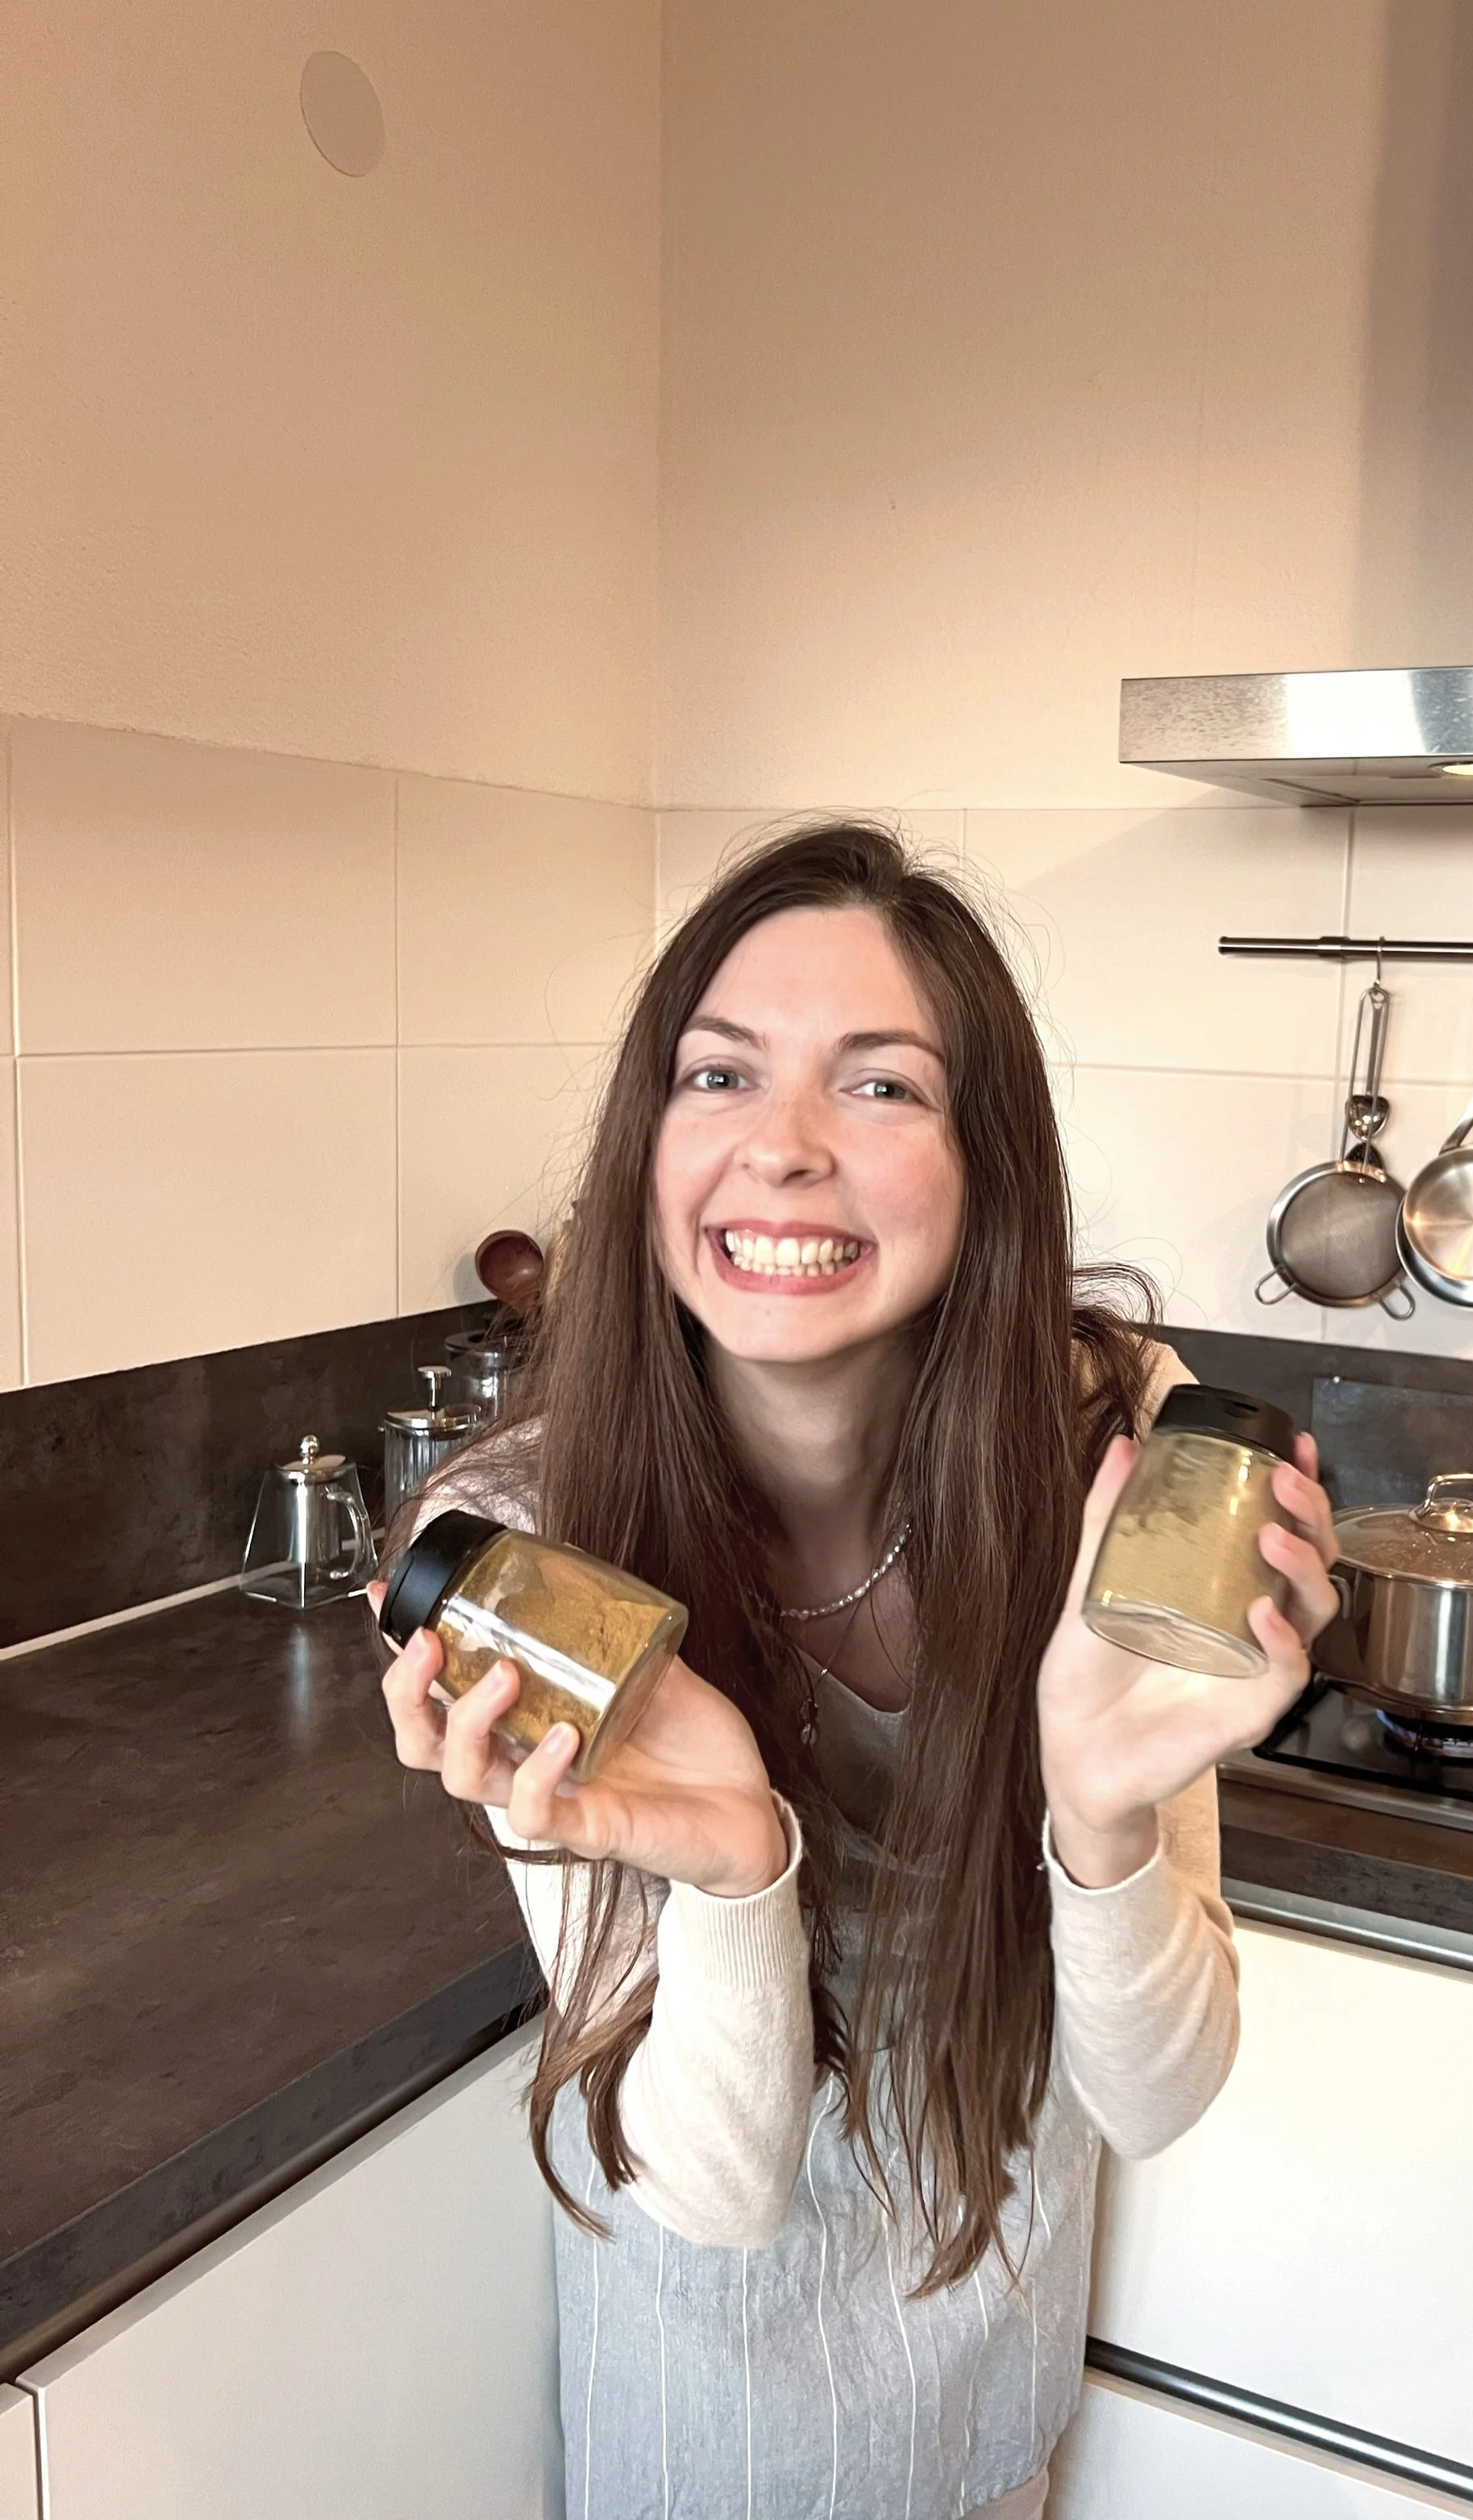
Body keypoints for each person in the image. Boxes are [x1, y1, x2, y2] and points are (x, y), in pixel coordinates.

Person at [376, 822, 1341, 2519]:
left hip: (994, 2363)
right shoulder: (529, 1545)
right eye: (718, 1074)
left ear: (987, 1161)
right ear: (646, 1137)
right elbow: (712, 2181)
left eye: (881, 1088)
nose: (783, 1149)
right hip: (710, 2411)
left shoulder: (1105, 1445)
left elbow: (1150, 2087)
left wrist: (1101, 1825)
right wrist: (738, 1864)